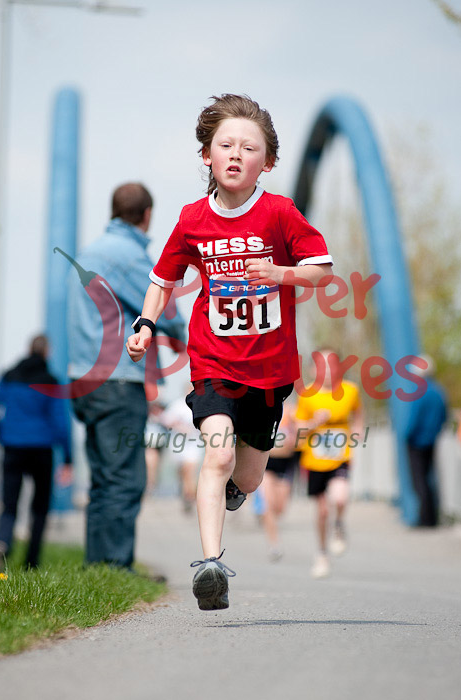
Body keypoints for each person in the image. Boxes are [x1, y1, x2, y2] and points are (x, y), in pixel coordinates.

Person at [126, 94, 333, 610]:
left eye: (249, 147)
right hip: (214, 361)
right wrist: (146, 323)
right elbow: (162, 280)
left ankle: (236, 491)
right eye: (226, 145)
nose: (236, 154)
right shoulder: (193, 219)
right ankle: (210, 566)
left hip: (270, 370)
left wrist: (281, 272)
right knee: (217, 453)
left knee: (248, 475)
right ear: (207, 156)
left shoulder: (280, 213)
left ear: (269, 162)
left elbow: (322, 270)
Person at [67, 183, 185, 570]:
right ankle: (115, 568)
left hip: (83, 379)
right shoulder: (129, 255)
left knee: (104, 477)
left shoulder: (89, 252)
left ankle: (98, 567)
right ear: (147, 215)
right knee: (125, 479)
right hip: (117, 382)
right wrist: (184, 338)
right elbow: (163, 309)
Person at [0, 335, 71, 573]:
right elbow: (60, 422)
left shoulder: (9, 376)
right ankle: (32, 561)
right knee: (40, 507)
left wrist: (2, 434)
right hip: (41, 450)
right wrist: (68, 457)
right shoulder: (50, 381)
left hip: (12, 447)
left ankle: (2, 543)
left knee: (9, 504)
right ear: (47, 352)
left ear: (29, 349)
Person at [296, 349, 363, 579]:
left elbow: (358, 413)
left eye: (331, 364)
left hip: (340, 457)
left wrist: (357, 429)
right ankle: (322, 553)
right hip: (314, 460)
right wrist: (315, 421)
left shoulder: (350, 391)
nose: (326, 370)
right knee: (323, 510)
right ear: (312, 369)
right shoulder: (306, 395)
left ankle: (339, 526)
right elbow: (299, 429)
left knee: (340, 497)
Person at [405, 355, 447, 527]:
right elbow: (444, 416)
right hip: (432, 440)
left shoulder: (419, 392)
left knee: (419, 481)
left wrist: (407, 435)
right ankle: (433, 518)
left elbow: (413, 420)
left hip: (416, 442)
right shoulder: (438, 391)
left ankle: (425, 519)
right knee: (430, 478)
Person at [260, 401, 299, 562]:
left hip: (285, 463)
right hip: (266, 463)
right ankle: (274, 544)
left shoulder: (291, 411)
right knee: (268, 504)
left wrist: (294, 439)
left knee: (280, 508)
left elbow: (300, 434)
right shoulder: (260, 408)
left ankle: (270, 522)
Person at [161, 390, 200, 512]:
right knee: (182, 471)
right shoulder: (177, 405)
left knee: (190, 470)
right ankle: (185, 492)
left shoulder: (199, 404)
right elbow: (165, 420)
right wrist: (179, 426)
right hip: (178, 443)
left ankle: (189, 496)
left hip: (194, 443)